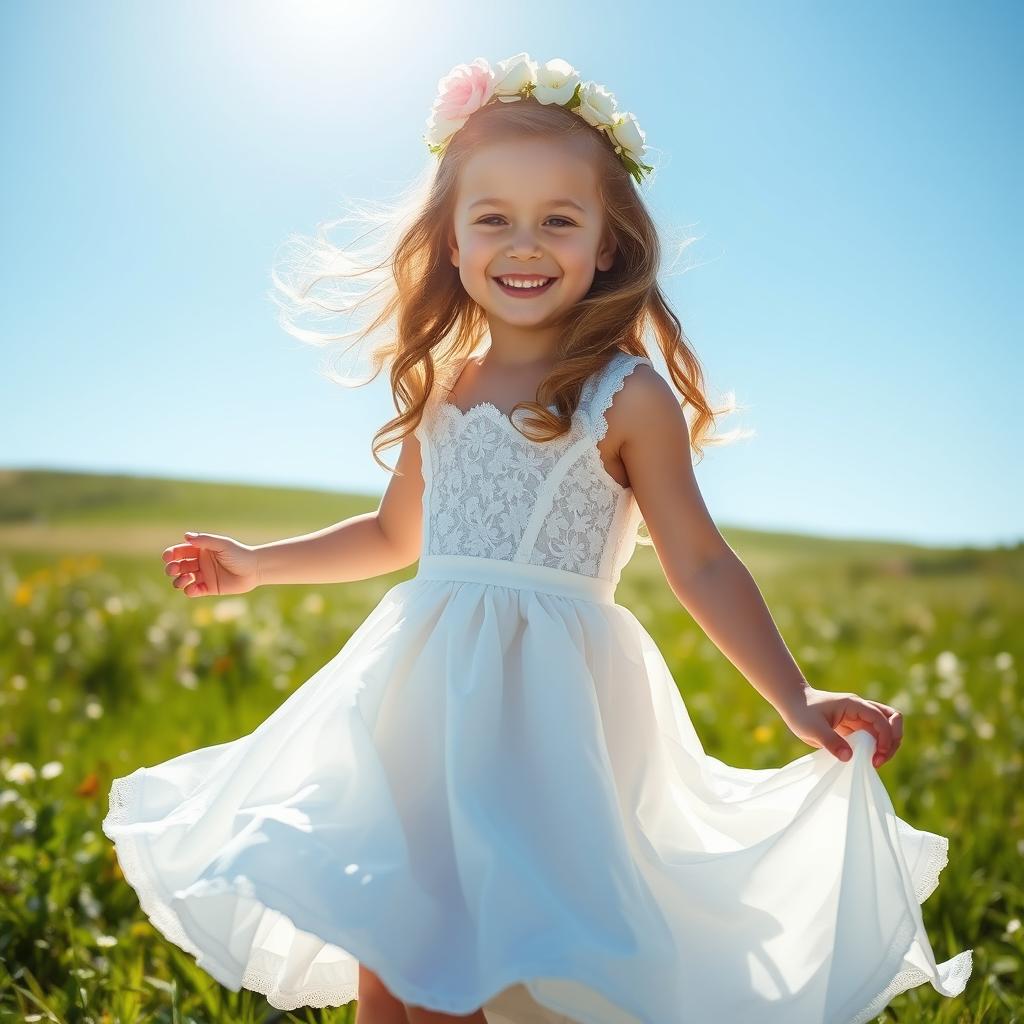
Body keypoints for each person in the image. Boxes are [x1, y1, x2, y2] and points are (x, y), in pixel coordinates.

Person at [101, 53, 972, 1024]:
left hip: (548, 714)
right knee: (393, 949)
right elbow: (394, 533)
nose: (525, 243)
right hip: (422, 697)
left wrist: (793, 691)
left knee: (507, 956)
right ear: (452, 243)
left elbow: (699, 560)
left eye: (559, 218)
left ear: (607, 243)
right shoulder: (440, 388)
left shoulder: (627, 397)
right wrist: (258, 564)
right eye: (493, 218)